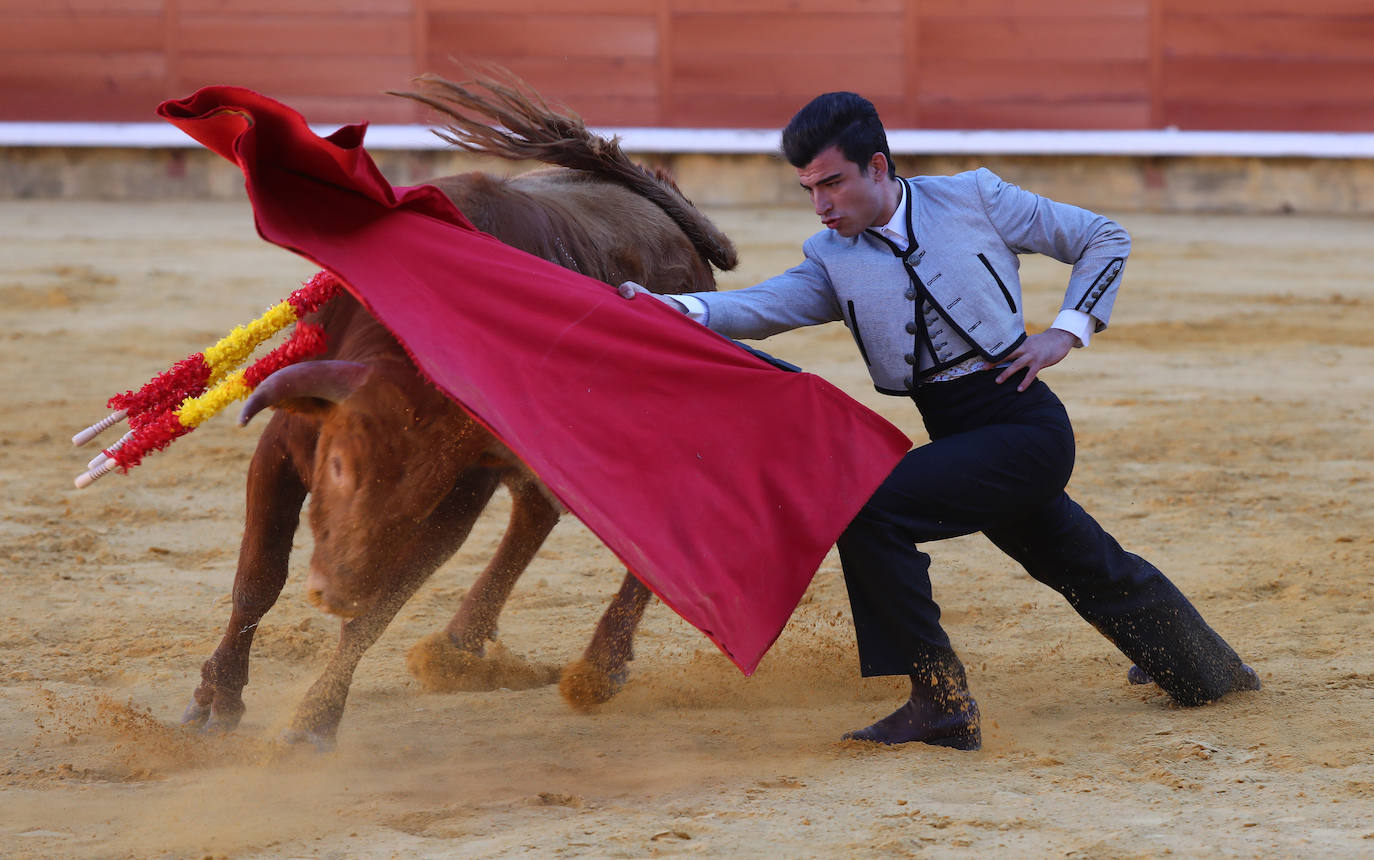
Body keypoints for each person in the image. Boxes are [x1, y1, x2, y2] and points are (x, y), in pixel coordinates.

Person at [619, 91, 1259, 751]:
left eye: (833, 183)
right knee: (1080, 560)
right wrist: (673, 309)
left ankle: (940, 699)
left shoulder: (973, 198)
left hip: (1022, 426)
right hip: (957, 431)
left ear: (876, 167)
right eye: (809, 189)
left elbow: (1101, 237)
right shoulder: (831, 257)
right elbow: (765, 304)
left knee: (870, 507)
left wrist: (1064, 332)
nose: (822, 204)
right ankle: (1208, 671)